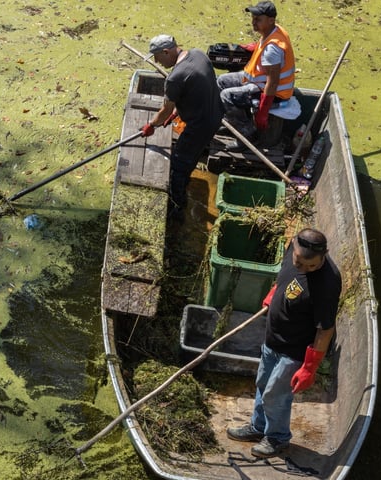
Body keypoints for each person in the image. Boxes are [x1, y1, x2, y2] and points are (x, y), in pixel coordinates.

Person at [227, 228, 342, 458]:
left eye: (311, 266)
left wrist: (309, 367)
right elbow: (286, 275)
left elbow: (325, 329)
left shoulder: (328, 283)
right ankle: (259, 427)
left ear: (324, 255)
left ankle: (278, 438)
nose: (304, 269)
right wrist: (275, 292)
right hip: (273, 339)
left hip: (295, 349)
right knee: (262, 383)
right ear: (293, 246)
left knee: (275, 394)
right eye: (299, 263)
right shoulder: (294, 249)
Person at [140, 34, 224, 221]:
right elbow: (198, 87)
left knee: (178, 165)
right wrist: (178, 110)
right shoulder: (199, 54)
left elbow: (164, 110)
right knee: (192, 155)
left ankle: (178, 206)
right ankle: (187, 177)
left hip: (199, 125)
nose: (156, 61)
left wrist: (151, 125)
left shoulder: (174, 78)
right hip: (216, 114)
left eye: (157, 56)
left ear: (166, 51)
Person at [216, 1, 296, 148]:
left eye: (258, 19)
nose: (253, 22)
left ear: (271, 20)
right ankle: (233, 123)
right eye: (253, 18)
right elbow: (263, 46)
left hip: (274, 92)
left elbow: (272, 82)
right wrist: (252, 47)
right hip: (257, 80)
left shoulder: (272, 49)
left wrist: (263, 112)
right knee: (221, 81)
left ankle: (248, 134)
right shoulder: (274, 30)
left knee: (226, 96)